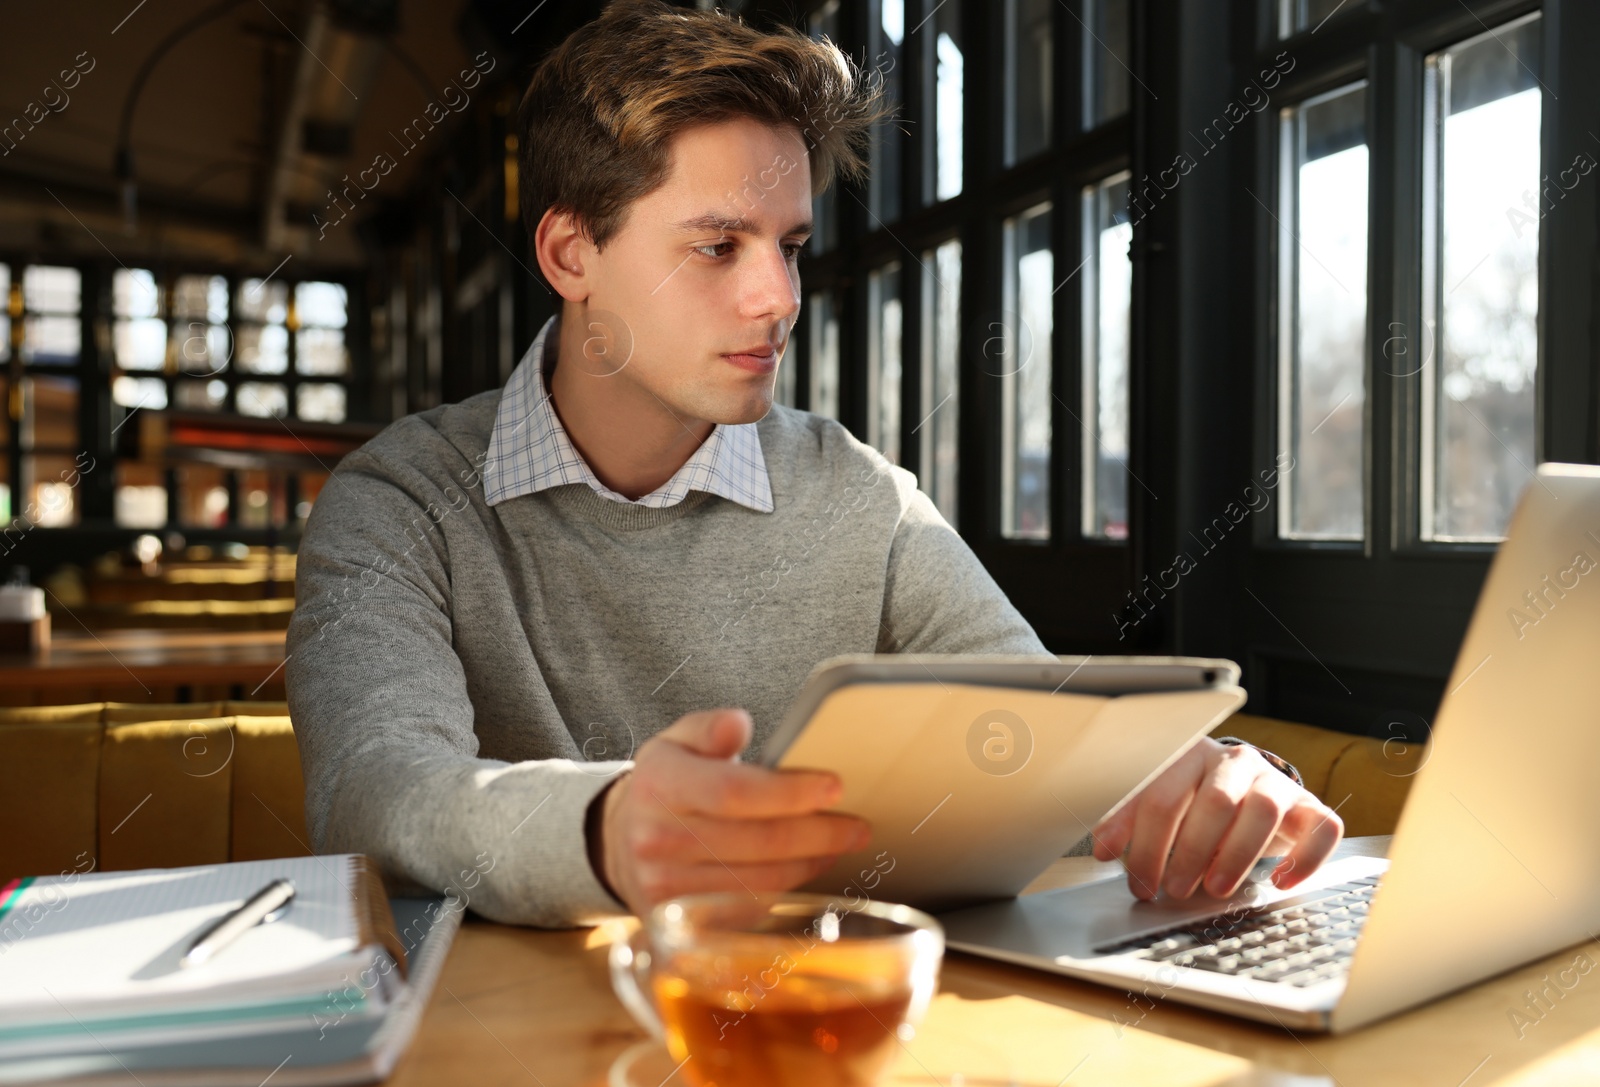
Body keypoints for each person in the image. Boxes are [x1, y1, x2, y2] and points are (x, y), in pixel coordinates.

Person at [286, 0, 1342, 928]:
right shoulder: (401, 499)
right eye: (716, 246)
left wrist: (1192, 776)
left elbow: (1045, 726)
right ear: (570, 255)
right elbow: (379, 790)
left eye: (788, 244)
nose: (779, 299)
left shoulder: (860, 496)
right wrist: (609, 828)